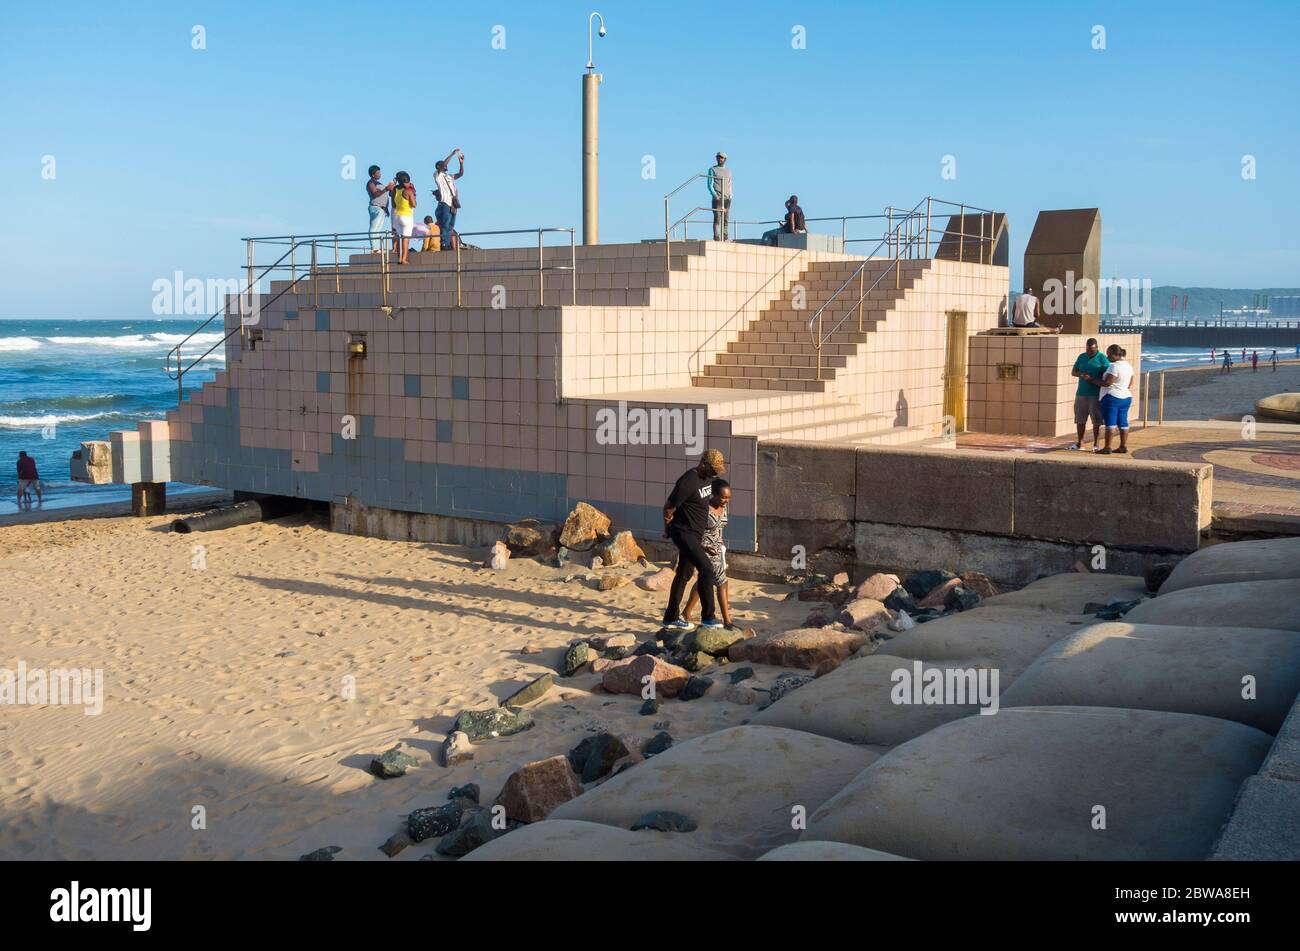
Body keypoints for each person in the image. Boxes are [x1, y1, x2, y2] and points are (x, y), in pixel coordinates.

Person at [661, 449, 728, 632]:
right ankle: (708, 617)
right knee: (706, 568)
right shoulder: (688, 481)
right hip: (683, 532)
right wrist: (667, 529)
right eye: (714, 469)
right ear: (704, 464)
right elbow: (668, 508)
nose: (716, 473)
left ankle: (670, 617)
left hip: (696, 535)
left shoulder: (709, 479)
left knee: (684, 575)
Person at [680, 480, 733, 628]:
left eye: (728, 498)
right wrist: (705, 547)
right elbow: (692, 533)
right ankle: (727, 621)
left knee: (705, 579)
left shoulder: (723, 507)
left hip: (718, 548)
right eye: (723, 497)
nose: (726, 501)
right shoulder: (703, 510)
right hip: (702, 548)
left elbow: (719, 527)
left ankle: (686, 612)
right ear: (714, 495)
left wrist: (721, 544)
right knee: (722, 581)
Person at [1069, 337, 1109, 451]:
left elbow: (1108, 374)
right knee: (1080, 419)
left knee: (1096, 420)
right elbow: (1073, 372)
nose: (1089, 352)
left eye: (1091, 350)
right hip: (1081, 393)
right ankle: (1080, 443)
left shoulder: (1102, 358)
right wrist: (1082, 375)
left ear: (1096, 348)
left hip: (1095, 394)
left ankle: (1096, 444)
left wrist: (1093, 378)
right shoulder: (1082, 357)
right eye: (1087, 350)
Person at [1097, 345, 1135, 455]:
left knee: (1110, 423)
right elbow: (1130, 383)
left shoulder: (1114, 366)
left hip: (1112, 397)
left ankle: (1107, 447)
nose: (1107, 356)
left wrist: (1092, 380)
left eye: (1108, 354)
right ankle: (1123, 446)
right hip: (1126, 397)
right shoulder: (1128, 366)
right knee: (1123, 423)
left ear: (1115, 355)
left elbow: (1108, 383)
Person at [433, 149, 464, 251]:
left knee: (451, 225)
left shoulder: (449, 176)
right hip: (445, 202)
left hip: (453, 203)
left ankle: (447, 243)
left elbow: (461, 174)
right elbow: (442, 165)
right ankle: (444, 244)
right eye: (443, 165)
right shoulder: (437, 175)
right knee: (445, 224)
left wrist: (461, 164)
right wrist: (452, 154)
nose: (446, 166)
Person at [365, 165, 394, 252]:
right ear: (373, 174)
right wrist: (386, 189)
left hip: (382, 209)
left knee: (377, 230)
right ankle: (374, 248)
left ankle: (376, 248)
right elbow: (375, 194)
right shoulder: (371, 183)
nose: (380, 174)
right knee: (374, 228)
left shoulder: (378, 183)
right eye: (378, 172)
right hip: (376, 207)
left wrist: (386, 209)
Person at [390, 171, 417, 265]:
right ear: (405, 182)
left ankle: (399, 258)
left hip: (397, 216)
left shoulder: (395, 189)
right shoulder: (408, 191)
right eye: (408, 182)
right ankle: (404, 259)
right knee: (405, 239)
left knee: (398, 238)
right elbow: (414, 205)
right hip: (407, 217)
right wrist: (414, 195)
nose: (409, 183)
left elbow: (393, 204)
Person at [707, 151, 732, 241]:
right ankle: (716, 237)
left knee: (726, 219)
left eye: (721, 157)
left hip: (727, 198)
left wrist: (730, 195)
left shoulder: (728, 171)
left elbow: (729, 184)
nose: (719, 159)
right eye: (718, 157)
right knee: (717, 218)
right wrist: (715, 195)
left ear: (725, 159)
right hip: (717, 198)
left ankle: (725, 237)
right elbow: (709, 184)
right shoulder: (712, 169)